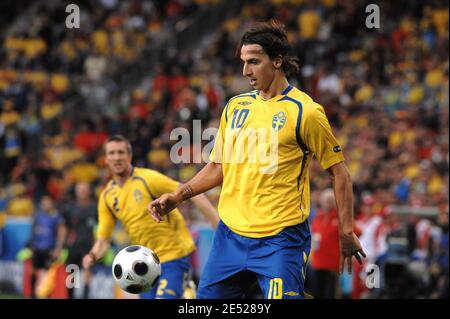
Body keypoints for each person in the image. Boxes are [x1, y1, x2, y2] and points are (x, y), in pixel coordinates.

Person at [149, 20, 366, 299]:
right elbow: (218, 167)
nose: (245, 71)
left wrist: (346, 231)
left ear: (277, 61)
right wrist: (178, 196)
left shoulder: (306, 112)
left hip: (280, 240)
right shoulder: (236, 107)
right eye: (243, 62)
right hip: (229, 238)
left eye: (253, 61)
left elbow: (340, 174)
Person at [82, 135, 219, 299]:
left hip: (173, 255)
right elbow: (103, 240)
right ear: (105, 159)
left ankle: (185, 290)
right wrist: (92, 256)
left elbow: (191, 192)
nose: (116, 157)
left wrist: (218, 226)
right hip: (143, 264)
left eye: (121, 152)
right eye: (111, 153)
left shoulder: (148, 179)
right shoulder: (107, 196)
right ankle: (187, 293)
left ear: (129, 156)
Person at [63, 182, 97, 299]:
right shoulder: (69, 208)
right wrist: (62, 245)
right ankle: (70, 296)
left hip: (88, 246)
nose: (82, 192)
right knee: (72, 273)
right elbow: (64, 228)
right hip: (73, 246)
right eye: (80, 190)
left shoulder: (95, 208)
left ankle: (85, 296)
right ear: (76, 192)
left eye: (84, 189)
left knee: (87, 272)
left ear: (89, 191)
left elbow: (100, 227)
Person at [30, 194, 66, 298]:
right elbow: (34, 231)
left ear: (52, 203)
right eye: (43, 202)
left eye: (47, 202)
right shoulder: (38, 215)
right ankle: (33, 295)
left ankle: (45, 295)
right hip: (37, 248)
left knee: (47, 275)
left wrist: (58, 248)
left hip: (49, 249)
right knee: (33, 272)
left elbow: (61, 232)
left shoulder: (56, 217)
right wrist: (32, 246)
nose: (45, 204)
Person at [310, 189, 340, 299]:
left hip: (332, 264)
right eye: (326, 200)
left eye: (331, 200)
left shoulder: (340, 217)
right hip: (317, 262)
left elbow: (356, 232)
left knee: (330, 293)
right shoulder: (317, 217)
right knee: (316, 293)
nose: (328, 203)